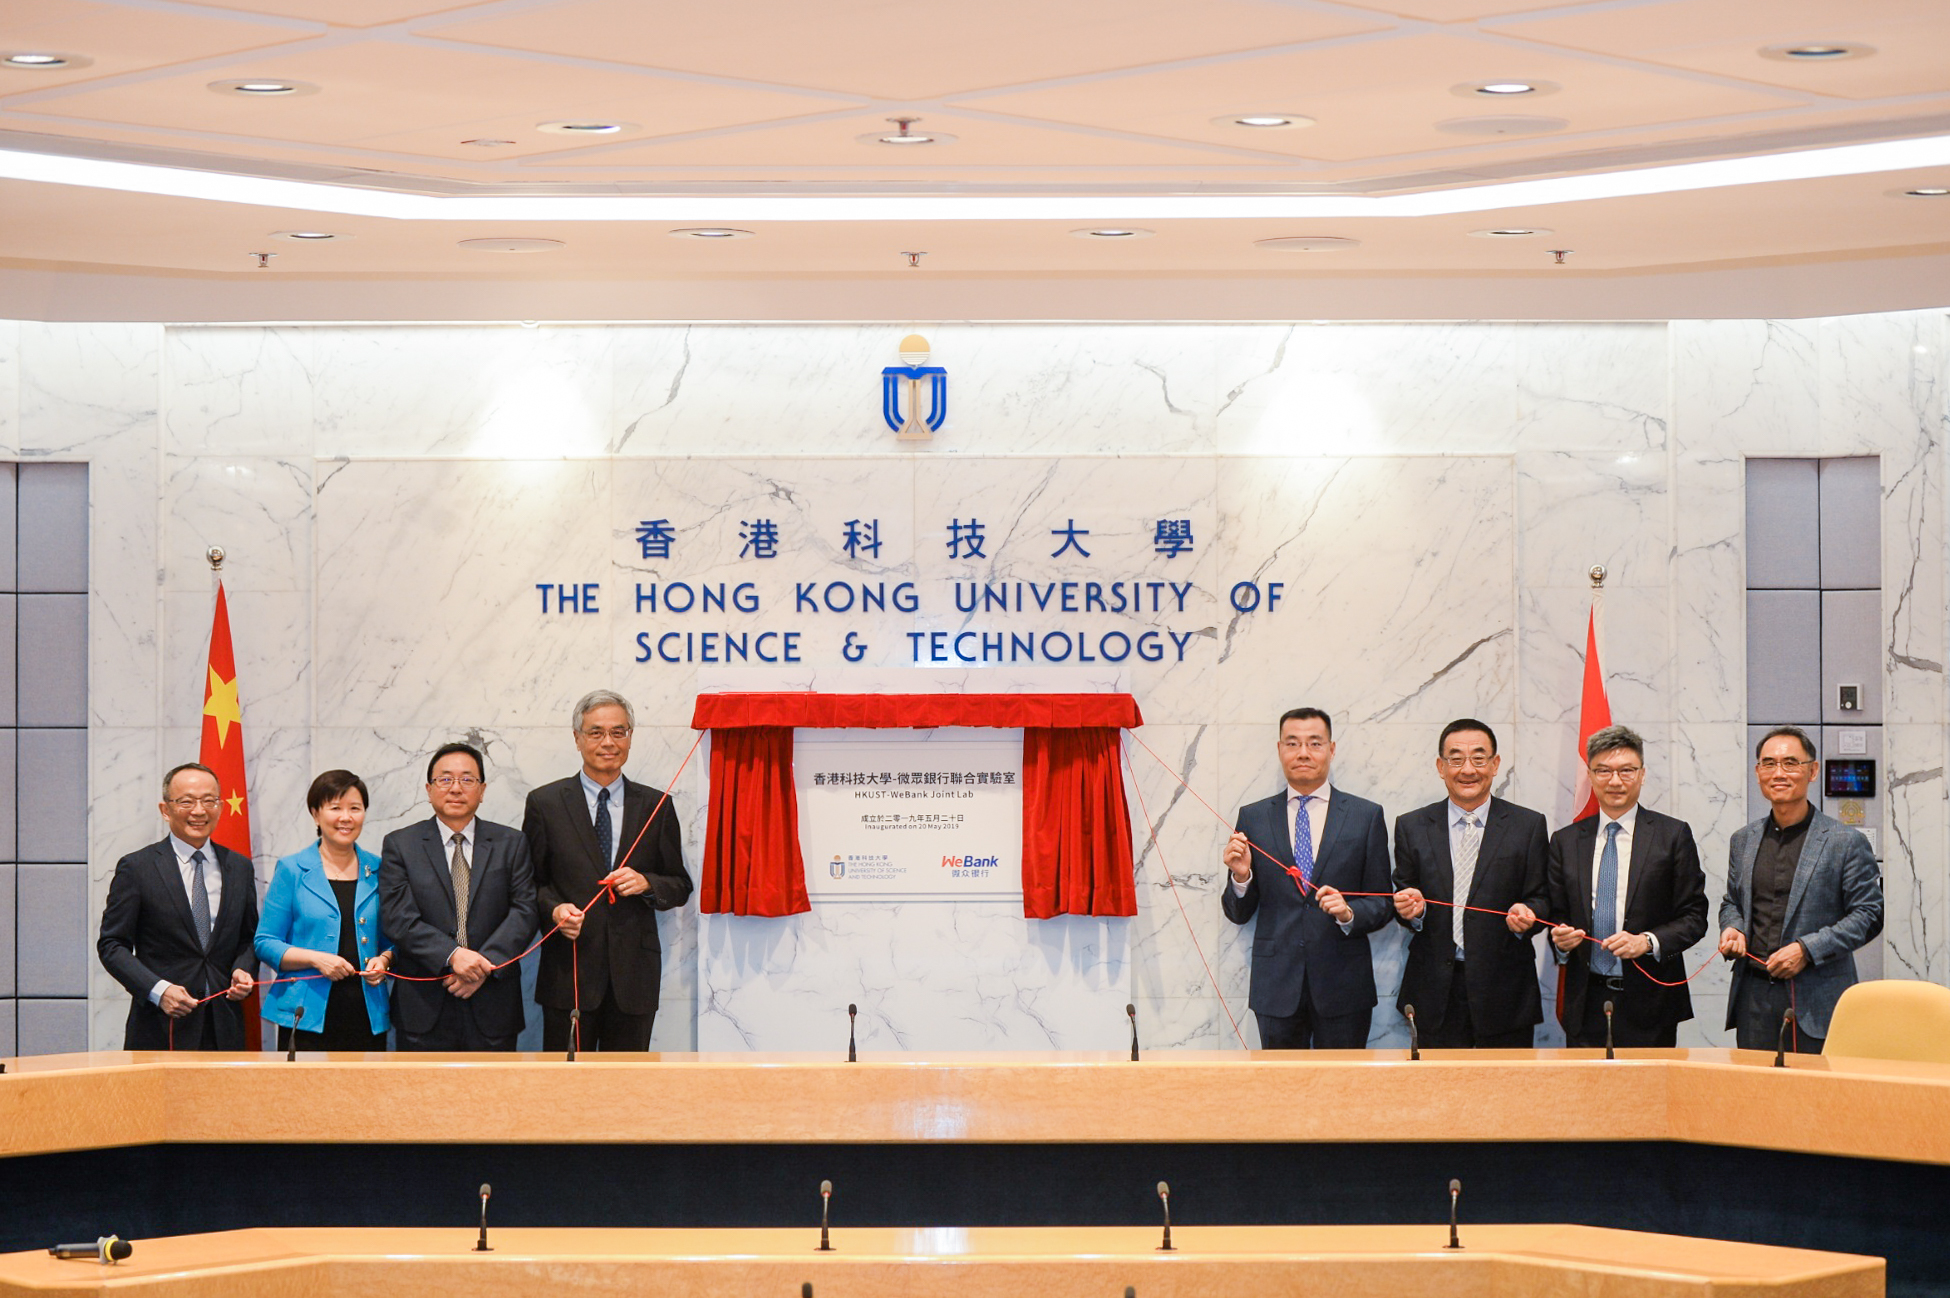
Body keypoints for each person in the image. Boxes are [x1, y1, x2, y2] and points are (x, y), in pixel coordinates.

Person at [524, 690, 692, 1052]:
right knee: (566, 1092)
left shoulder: (656, 805)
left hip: (634, 978)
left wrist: (648, 883)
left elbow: (679, 884)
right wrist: (554, 910)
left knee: (627, 1093)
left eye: (619, 732)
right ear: (577, 738)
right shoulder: (545, 803)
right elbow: (530, 884)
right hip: (568, 975)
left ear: (630, 737)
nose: (608, 742)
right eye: (596, 732)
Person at [1221, 707, 1393, 1049]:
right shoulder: (1253, 817)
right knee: (1281, 1094)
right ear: (1279, 749)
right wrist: (1241, 878)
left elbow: (1382, 902)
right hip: (1276, 988)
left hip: (1344, 985)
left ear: (1331, 749)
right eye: (1293, 743)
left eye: (1314, 743)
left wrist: (1348, 913)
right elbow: (1238, 912)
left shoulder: (1365, 815)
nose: (1303, 753)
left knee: (1342, 1092)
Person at [1718, 726, 1883, 1054]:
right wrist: (1732, 926)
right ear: (1757, 772)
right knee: (1753, 1099)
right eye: (1769, 764)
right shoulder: (1743, 840)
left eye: (1790, 763)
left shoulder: (1845, 842)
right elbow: (1733, 900)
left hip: (1815, 1001)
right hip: (1753, 999)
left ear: (1813, 770)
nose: (1778, 773)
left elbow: (1869, 914)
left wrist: (1806, 950)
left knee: (1816, 1103)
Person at [1546, 726, 1708, 1048]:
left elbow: (1694, 917)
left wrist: (1647, 942)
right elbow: (1556, 914)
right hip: (1585, 1003)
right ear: (1590, 776)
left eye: (1626, 771)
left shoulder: (1672, 835)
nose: (1615, 781)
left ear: (1642, 774)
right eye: (1603, 771)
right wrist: (1561, 941)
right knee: (1587, 1095)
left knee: (1648, 1098)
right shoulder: (1565, 842)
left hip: (1651, 1004)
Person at [1390, 719, 1549, 1048]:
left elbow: (1542, 898)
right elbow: (1404, 896)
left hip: (1505, 991)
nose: (1468, 769)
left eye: (1479, 758)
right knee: (1440, 1093)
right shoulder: (1412, 826)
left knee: (1507, 1094)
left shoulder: (1528, 825)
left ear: (1495, 765)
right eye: (1456, 758)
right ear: (1440, 766)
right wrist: (1411, 910)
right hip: (1435, 991)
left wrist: (1528, 914)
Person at [379, 742, 537, 1051]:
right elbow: (398, 917)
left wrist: (483, 965)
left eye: (467, 779)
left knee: (492, 1096)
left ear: (482, 789)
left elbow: (525, 910)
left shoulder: (511, 843)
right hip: (423, 1006)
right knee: (421, 1097)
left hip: (493, 1000)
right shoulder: (401, 844)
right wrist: (453, 956)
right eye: (445, 779)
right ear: (429, 788)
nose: (455, 788)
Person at [97, 763, 257, 1049]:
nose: (199, 811)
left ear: (220, 806)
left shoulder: (239, 867)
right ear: (165, 809)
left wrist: (243, 969)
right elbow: (112, 944)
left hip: (225, 1027)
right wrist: (159, 991)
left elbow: (247, 938)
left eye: (209, 801)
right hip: (160, 1025)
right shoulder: (137, 868)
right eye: (186, 801)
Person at [255, 770, 394, 1051]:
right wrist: (318, 959)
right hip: (305, 1014)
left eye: (355, 808)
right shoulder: (292, 869)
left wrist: (385, 959)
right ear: (316, 814)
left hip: (367, 1013)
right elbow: (265, 943)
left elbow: (395, 938)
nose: (346, 817)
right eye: (335, 808)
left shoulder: (381, 869)